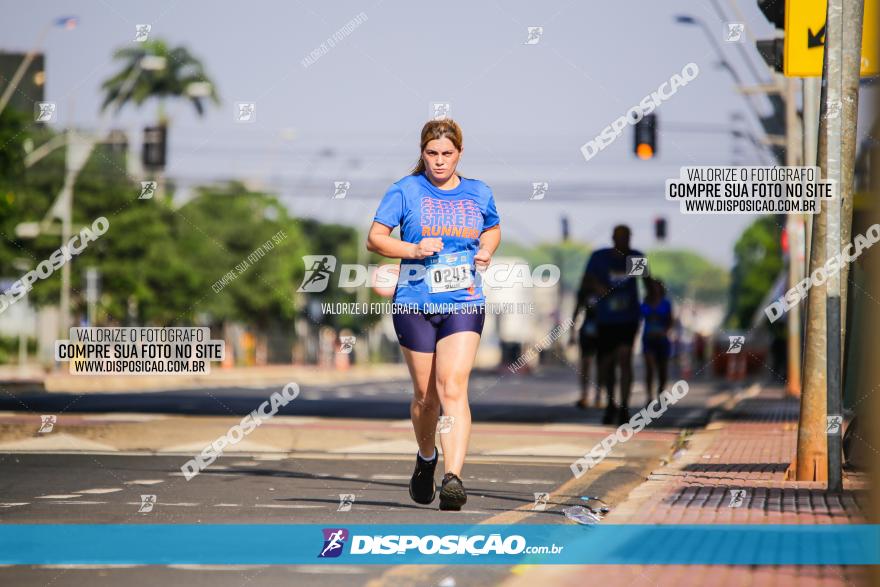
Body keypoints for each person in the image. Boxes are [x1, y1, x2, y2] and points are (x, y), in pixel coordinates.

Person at [366, 118, 501, 511]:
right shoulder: (405, 190)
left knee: (453, 388)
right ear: (422, 153)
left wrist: (487, 250)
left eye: (446, 154)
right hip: (415, 303)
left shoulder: (479, 192)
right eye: (431, 154)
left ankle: (454, 477)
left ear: (459, 153)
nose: (439, 162)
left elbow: (492, 228)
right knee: (426, 397)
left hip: (464, 301)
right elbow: (375, 238)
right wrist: (413, 250)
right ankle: (427, 459)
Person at [580, 225, 648, 425]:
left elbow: (647, 283)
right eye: (619, 237)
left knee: (625, 360)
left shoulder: (635, 257)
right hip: (606, 319)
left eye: (626, 237)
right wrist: (597, 286)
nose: (623, 241)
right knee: (607, 363)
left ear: (630, 238)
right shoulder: (599, 258)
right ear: (612, 238)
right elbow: (586, 280)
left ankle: (624, 406)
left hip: (628, 319)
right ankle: (611, 403)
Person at [640, 278, 673, 408]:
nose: (655, 289)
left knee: (662, 369)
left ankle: (661, 391)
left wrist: (664, 332)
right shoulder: (644, 302)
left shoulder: (666, 304)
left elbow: (671, 321)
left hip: (662, 340)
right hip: (648, 339)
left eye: (657, 286)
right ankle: (649, 395)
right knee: (649, 367)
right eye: (652, 287)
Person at [570, 282, 601, 409]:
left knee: (602, 365)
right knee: (586, 363)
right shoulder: (584, 293)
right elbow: (576, 313)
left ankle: (599, 396)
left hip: (603, 330)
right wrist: (572, 335)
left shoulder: (606, 289)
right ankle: (584, 394)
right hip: (587, 332)